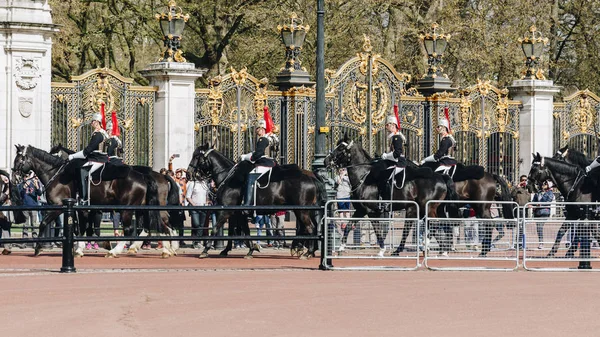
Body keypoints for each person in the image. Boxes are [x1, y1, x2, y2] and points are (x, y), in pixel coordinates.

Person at [67, 108, 109, 205]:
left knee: (82, 171)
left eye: (93, 121)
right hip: (99, 158)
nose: (91, 123)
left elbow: (87, 151)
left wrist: (73, 156)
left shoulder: (98, 134)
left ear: (97, 122)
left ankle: (84, 199)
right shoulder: (103, 133)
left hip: (97, 160)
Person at [240, 107, 278, 214]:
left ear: (262, 129)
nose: (257, 131)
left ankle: (247, 205)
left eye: (258, 129)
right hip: (270, 163)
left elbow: (258, 154)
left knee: (250, 179)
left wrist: (248, 157)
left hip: (263, 164)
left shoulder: (263, 139)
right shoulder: (271, 139)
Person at [378, 105, 407, 203]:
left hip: (399, 162)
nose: (386, 127)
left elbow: (397, 153)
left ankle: (387, 200)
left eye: (388, 125)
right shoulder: (394, 137)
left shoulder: (396, 137)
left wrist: (386, 155)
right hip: (396, 162)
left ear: (393, 125)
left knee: (385, 178)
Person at [421, 108, 457, 175]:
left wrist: (425, 159)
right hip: (451, 161)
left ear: (443, 128)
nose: (437, 129)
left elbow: (438, 155)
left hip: (446, 162)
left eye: (439, 127)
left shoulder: (445, 140)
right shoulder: (450, 138)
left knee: (432, 174)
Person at [186, 178, 208, 250]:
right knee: (196, 224)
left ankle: (197, 241)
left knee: (201, 225)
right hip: (194, 207)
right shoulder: (192, 184)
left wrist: (207, 202)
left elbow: (207, 195)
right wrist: (193, 204)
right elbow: (188, 196)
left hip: (203, 207)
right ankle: (195, 241)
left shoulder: (205, 184)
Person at [532, 181, 553, 249]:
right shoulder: (538, 193)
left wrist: (540, 204)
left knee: (540, 227)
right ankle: (541, 242)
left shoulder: (549, 193)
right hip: (537, 212)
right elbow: (533, 201)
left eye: (545, 184)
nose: (543, 185)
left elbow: (548, 201)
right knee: (538, 227)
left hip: (544, 212)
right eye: (542, 184)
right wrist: (534, 205)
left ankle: (541, 243)